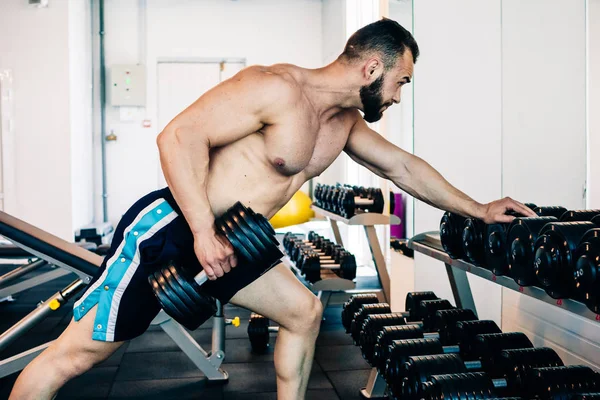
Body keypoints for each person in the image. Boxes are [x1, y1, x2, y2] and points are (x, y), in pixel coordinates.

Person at [9, 18, 535, 400]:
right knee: (76, 355)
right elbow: (177, 137)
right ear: (373, 66)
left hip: (238, 239)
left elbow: (405, 169)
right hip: (172, 229)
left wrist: (480, 208)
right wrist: (200, 231)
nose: (398, 95)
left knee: (304, 312)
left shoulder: (344, 126)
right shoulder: (276, 88)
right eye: (401, 81)